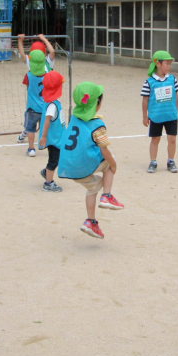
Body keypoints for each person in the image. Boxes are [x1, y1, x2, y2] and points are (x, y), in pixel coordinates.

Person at [58, 82, 124, 239]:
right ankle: (107, 195)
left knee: (93, 187)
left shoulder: (74, 117)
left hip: (68, 166)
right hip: (82, 166)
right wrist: (114, 165)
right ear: (97, 103)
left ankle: (91, 222)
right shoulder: (98, 125)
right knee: (110, 162)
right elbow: (104, 150)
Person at [141, 50, 178, 174]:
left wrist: (175, 111)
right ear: (158, 64)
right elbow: (145, 100)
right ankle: (153, 162)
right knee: (155, 139)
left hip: (171, 116)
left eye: (170, 64)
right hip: (156, 117)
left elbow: (176, 96)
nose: (169, 66)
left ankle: (171, 161)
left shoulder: (172, 79)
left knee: (172, 139)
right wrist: (145, 116)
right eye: (167, 63)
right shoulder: (149, 82)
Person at [16, 34, 56, 143]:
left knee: (32, 119)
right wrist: (44, 39)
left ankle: (26, 133)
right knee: (43, 119)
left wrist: (20, 41)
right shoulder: (48, 62)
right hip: (46, 99)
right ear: (44, 52)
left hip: (36, 99)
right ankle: (29, 133)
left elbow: (22, 54)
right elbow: (52, 51)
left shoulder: (31, 63)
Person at [38, 71, 66, 192]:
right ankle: (48, 183)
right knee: (54, 161)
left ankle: (47, 172)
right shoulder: (52, 106)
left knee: (58, 158)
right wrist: (44, 136)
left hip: (58, 137)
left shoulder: (54, 102)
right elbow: (47, 121)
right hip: (54, 139)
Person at [21, 49, 47, 156]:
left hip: (32, 108)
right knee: (45, 128)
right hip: (45, 107)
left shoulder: (28, 75)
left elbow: (28, 87)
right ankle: (45, 145)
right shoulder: (48, 75)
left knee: (30, 129)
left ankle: (31, 149)